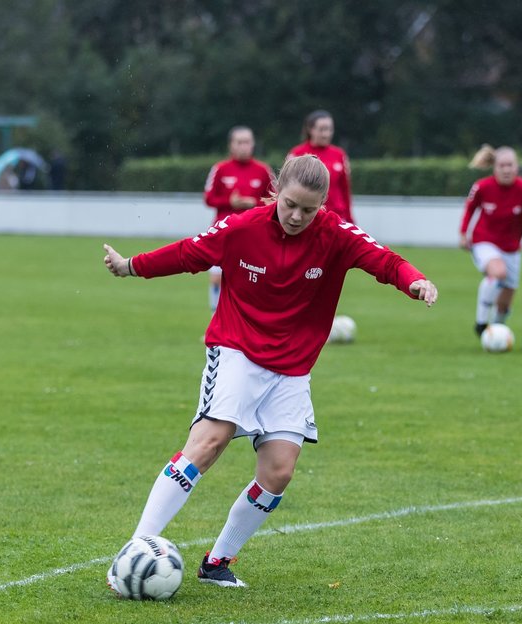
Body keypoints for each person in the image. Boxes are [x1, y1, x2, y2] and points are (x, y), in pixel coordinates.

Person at [101, 155, 438, 588]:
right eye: (290, 204)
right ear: (276, 191)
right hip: (236, 347)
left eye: (308, 209)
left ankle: (217, 562)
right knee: (210, 441)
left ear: (323, 206)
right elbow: (188, 254)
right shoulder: (242, 227)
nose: (297, 216)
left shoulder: (335, 234)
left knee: (278, 471)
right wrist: (131, 266)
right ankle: (136, 549)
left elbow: (385, 261)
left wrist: (415, 281)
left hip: (292, 368)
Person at [459, 145, 522, 336]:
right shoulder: (482, 186)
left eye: (510, 165)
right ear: (495, 167)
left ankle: (496, 331)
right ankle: (481, 323)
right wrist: (463, 233)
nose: (506, 170)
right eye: (502, 165)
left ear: (517, 167)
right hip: (484, 241)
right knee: (498, 272)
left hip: (511, 249)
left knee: (504, 304)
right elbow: (469, 209)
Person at [202, 126, 274, 310]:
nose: (244, 146)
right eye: (239, 142)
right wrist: (230, 201)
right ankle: (214, 322)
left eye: (247, 142)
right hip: (223, 233)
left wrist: (254, 204)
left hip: (254, 234)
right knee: (217, 278)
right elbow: (208, 198)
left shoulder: (263, 170)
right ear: (231, 145)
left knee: (251, 279)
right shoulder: (220, 169)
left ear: (253, 144)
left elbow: (275, 201)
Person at [288, 110, 354, 223]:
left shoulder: (339, 154)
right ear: (310, 129)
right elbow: (287, 187)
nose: (326, 134)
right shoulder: (297, 153)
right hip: (308, 217)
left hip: (336, 216)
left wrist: (349, 218)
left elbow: (345, 188)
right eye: (322, 129)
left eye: (329, 129)